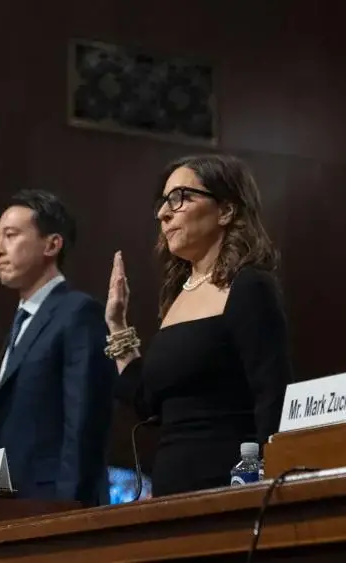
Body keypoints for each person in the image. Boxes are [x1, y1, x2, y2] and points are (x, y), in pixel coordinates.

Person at [106, 154, 293, 497]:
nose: (164, 213)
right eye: (163, 203)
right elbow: (148, 403)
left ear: (226, 210)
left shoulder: (250, 287)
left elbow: (272, 398)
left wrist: (266, 487)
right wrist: (117, 325)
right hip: (171, 487)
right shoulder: (177, 295)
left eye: (180, 198)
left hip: (230, 488)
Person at [0, 190, 116, 506]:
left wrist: (69, 510)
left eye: (11, 236)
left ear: (52, 244)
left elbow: (83, 422)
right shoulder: (23, 320)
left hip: (50, 508)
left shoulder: (78, 313)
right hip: (7, 505)